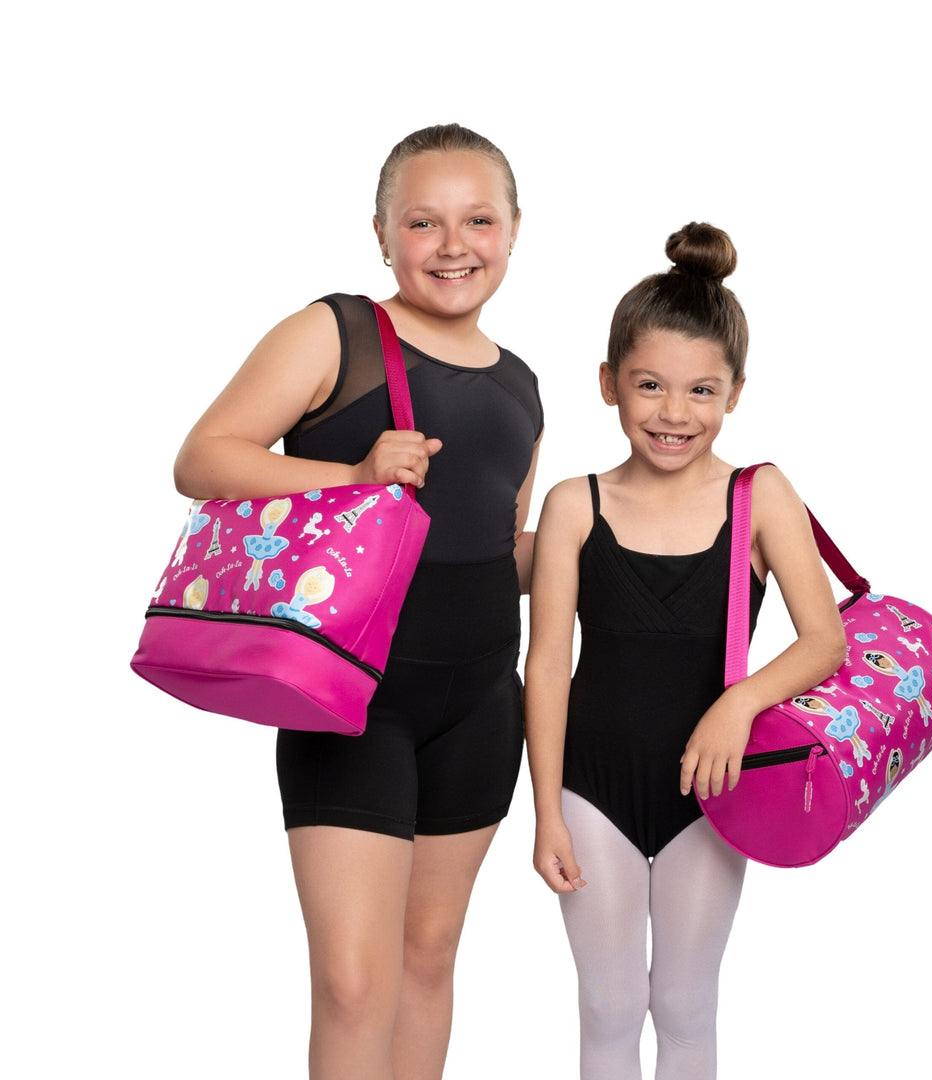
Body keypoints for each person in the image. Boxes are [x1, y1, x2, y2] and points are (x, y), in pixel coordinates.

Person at [174, 124, 542, 1080]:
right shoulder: (334, 333)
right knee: (350, 984)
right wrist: (349, 474)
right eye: (423, 222)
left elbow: (499, 551)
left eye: (478, 220)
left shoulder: (523, 386)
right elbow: (203, 458)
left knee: (428, 960)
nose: (453, 245)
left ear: (515, 229)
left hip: (480, 702)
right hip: (350, 699)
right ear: (381, 234)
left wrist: (631, 534)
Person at [524, 222, 846, 1080]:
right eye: (650, 386)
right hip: (590, 786)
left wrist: (738, 703)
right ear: (608, 383)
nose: (674, 414)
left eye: (702, 390)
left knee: (685, 1005)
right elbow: (546, 665)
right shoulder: (575, 504)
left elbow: (825, 640)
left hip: (713, 792)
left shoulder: (760, 495)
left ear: (735, 393)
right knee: (606, 1008)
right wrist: (546, 809)